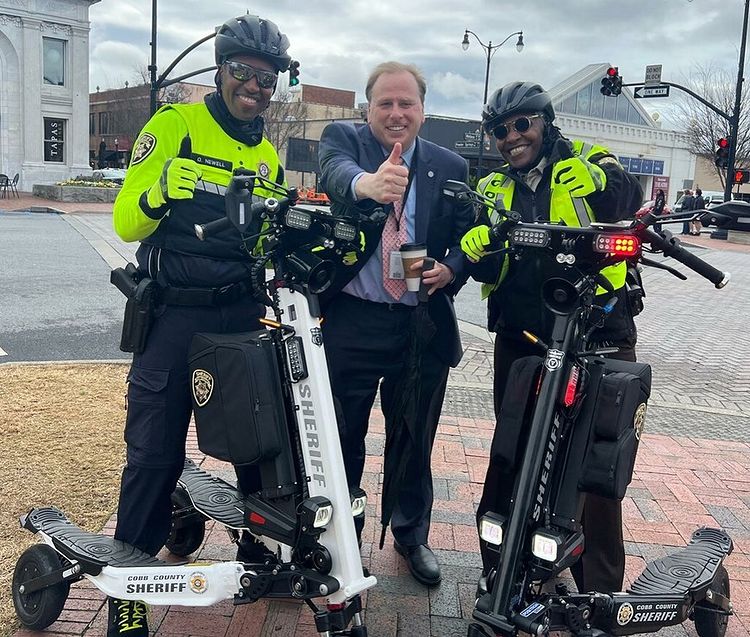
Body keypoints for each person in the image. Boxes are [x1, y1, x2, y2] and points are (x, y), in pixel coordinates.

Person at [109, 14, 295, 636]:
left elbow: (264, 241)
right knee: (154, 451)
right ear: (221, 69)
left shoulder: (267, 153)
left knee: (252, 442)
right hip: (175, 315)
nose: (255, 86)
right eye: (244, 72)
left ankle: (257, 553)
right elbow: (125, 222)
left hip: (239, 314)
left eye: (267, 79)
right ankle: (128, 596)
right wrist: (161, 187)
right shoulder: (176, 125)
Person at [460, 82, 643, 595]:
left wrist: (598, 179)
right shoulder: (494, 186)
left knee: (597, 460)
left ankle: (597, 587)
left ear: (545, 121)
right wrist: (480, 247)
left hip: (599, 331)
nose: (512, 137)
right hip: (523, 335)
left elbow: (626, 194)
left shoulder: (586, 156)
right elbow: (488, 263)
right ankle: (503, 565)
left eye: (522, 124)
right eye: (500, 130)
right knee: (512, 450)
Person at [318, 61, 474, 586]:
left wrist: (451, 267)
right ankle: (342, 537)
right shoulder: (343, 139)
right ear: (368, 108)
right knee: (343, 436)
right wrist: (368, 184)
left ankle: (412, 534)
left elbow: (468, 236)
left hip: (419, 323)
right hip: (352, 321)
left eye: (406, 103)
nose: (396, 113)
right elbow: (333, 173)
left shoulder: (450, 165)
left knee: (413, 437)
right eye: (385, 103)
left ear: (423, 110)